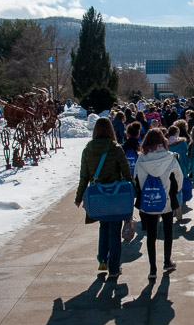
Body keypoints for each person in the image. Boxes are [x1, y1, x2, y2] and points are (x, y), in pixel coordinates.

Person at [75, 117, 132, 280]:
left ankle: (102, 259)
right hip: (116, 195)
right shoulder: (115, 148)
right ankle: (114, 268)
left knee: (103, 226)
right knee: (115, 230)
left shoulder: (87, 149)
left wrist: (79, 197)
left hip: (98, 195)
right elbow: (126, 172)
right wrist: (133, 190)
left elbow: (84, 176)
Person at [134, 128, 183, 280]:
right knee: (168, 231)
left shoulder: (141, 159)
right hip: (166, 200)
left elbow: (136, 179)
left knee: (151, 234)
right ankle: (167, 261)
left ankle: (152, 268)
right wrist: (173, 191)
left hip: (149, 201)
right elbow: (179, 179)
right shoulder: (170, 157)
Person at [167, 125, 191, 220]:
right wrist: (187, 167)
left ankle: (172, 209)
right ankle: (179, 209)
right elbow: (186, 157)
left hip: (169, 169)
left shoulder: (165, 143)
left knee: (170, 189)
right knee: (179, 189)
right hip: (181, 168)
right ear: (177, 132)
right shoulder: (183, 143)